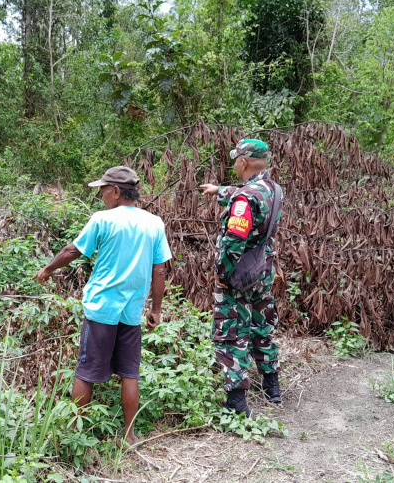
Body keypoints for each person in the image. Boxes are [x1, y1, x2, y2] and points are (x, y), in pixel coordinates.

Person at [32, 165, 172, 447]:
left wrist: (47, 269)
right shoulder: (154, 223)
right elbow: (160, 271)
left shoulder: (103, 220)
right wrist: (155, 309)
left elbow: (73, 251)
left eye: (103, 190)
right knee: (130, 373)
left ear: (117, 191)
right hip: (132, 312)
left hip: (101, 309)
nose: (102, 196)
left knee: (86, 372)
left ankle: (74, 434)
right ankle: (130, 435)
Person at [199, 139, 282, 417]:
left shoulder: (245, 199)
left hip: (237, 276)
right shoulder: (273, 189)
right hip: (263, 271)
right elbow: (243, 194)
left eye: (236, 160)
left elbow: (234, 241)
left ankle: (236, 402)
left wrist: (222, 275)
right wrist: (218, 190)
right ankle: (272, 386)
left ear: (243, 162)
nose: (234, 164)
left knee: (231, 333)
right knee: (263, 326)